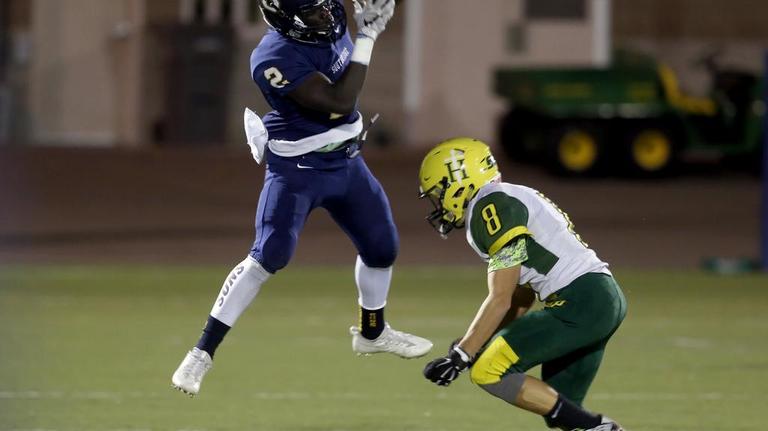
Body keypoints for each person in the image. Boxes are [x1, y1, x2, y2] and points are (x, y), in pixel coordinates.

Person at [171, 0, 432, 397]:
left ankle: (373, 334)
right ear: (285, 19)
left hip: (347, 163)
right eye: (312, 11)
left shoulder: (331, 18)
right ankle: (201, 352)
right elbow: (339, 102)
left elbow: (343, 95)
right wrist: (368, 38)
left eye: (325, 4)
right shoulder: (272, 57)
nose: (326, 15)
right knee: (270, 255)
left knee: (382, 247)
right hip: (298, 171)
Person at [418, 138, 628, 431]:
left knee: (488, 371)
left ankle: (602, 428)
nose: (438, 203)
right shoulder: (507, 197)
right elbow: (520, 296)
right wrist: (476, 342)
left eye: (439, 193)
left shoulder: (490, 208)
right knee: (563, 412)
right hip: (601, 297)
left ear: (459, 182)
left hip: (580, 302)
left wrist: (462, 355)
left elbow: (501, 296)